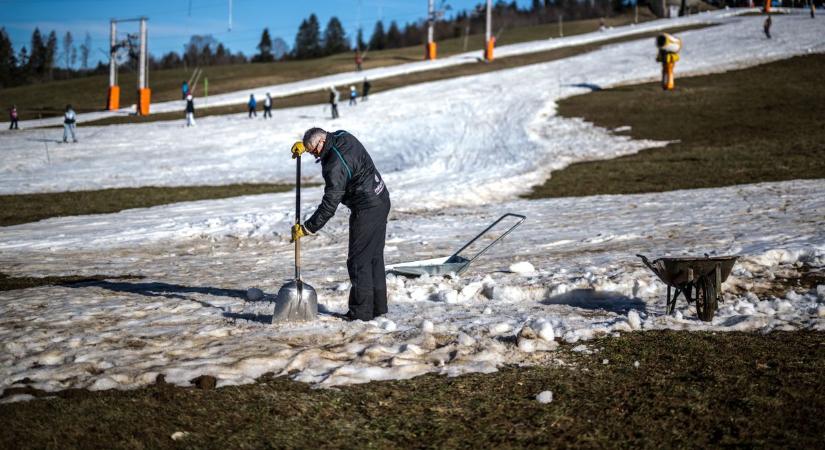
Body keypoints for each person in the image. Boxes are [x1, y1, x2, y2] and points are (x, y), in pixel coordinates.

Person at [291, 128, 391, 321]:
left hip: (367, 207)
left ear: (321, 143)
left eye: (314, 151)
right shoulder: (342, 135)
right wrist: (306, 145)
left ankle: (361, 314)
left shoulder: (334, 166)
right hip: (381, 197)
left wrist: (308, 227)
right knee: (373, 257)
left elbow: (329, 204)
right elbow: (322, 138)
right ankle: (378, 308)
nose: (314, 155)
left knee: (358, 261)